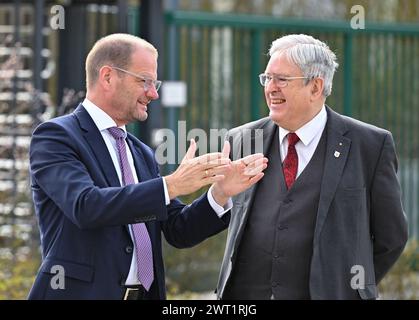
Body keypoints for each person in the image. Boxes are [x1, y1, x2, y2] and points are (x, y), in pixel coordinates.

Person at [28, 33, 267, 300]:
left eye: (155, 83)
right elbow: (86, 206)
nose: (153, 93)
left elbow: (179, 231)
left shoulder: (140, 152)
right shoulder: (55, 136)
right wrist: (172, 184)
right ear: (107, 77)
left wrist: (220, 193)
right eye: (144, 81)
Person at [216, 34, 408, 300]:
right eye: (267, 78)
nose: (271, 88)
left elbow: (392, 238)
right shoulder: (242, 140)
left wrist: (349, 289)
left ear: (316, 87)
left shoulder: (370, 146)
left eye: (282, 79)